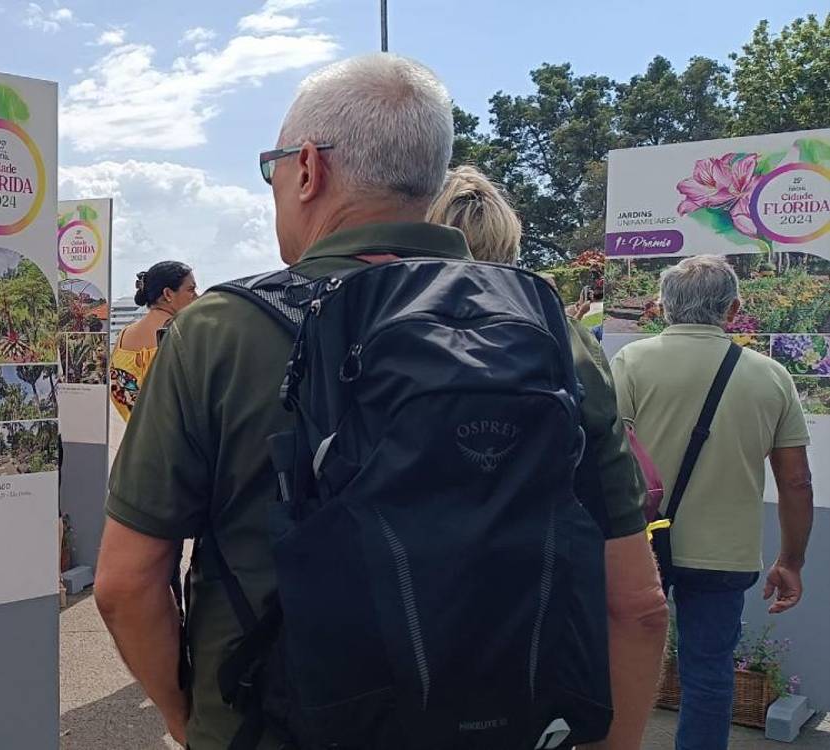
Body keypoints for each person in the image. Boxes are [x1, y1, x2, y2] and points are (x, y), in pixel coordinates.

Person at [95, 54, 664, 749]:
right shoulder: (552, 336)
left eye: (272, 169)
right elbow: (637, 606)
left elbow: (126, 584)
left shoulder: (219, 332)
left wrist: (187, 718)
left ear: (307, 168)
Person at [429, 164, 669, 749]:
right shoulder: (565, 343)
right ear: (511, 249)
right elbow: (640, 608)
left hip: (386, 678)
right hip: (531, 676)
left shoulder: (351, 331)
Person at [611, 255, 813, 750]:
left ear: (662, 306)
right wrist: (791, 560)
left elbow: (606, 458)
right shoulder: (771, 375)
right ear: (734, 308)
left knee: (620, 660)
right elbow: (796, 481)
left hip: (639, 545)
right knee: (708, 672)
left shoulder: (631, 362)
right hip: (725, 553)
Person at [109, 260, 197, 422]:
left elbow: (117, 394)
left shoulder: (124, 335)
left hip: (134, 435)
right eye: (191, 290)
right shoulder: (183, 335)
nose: (197, 297)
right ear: (168, 294)